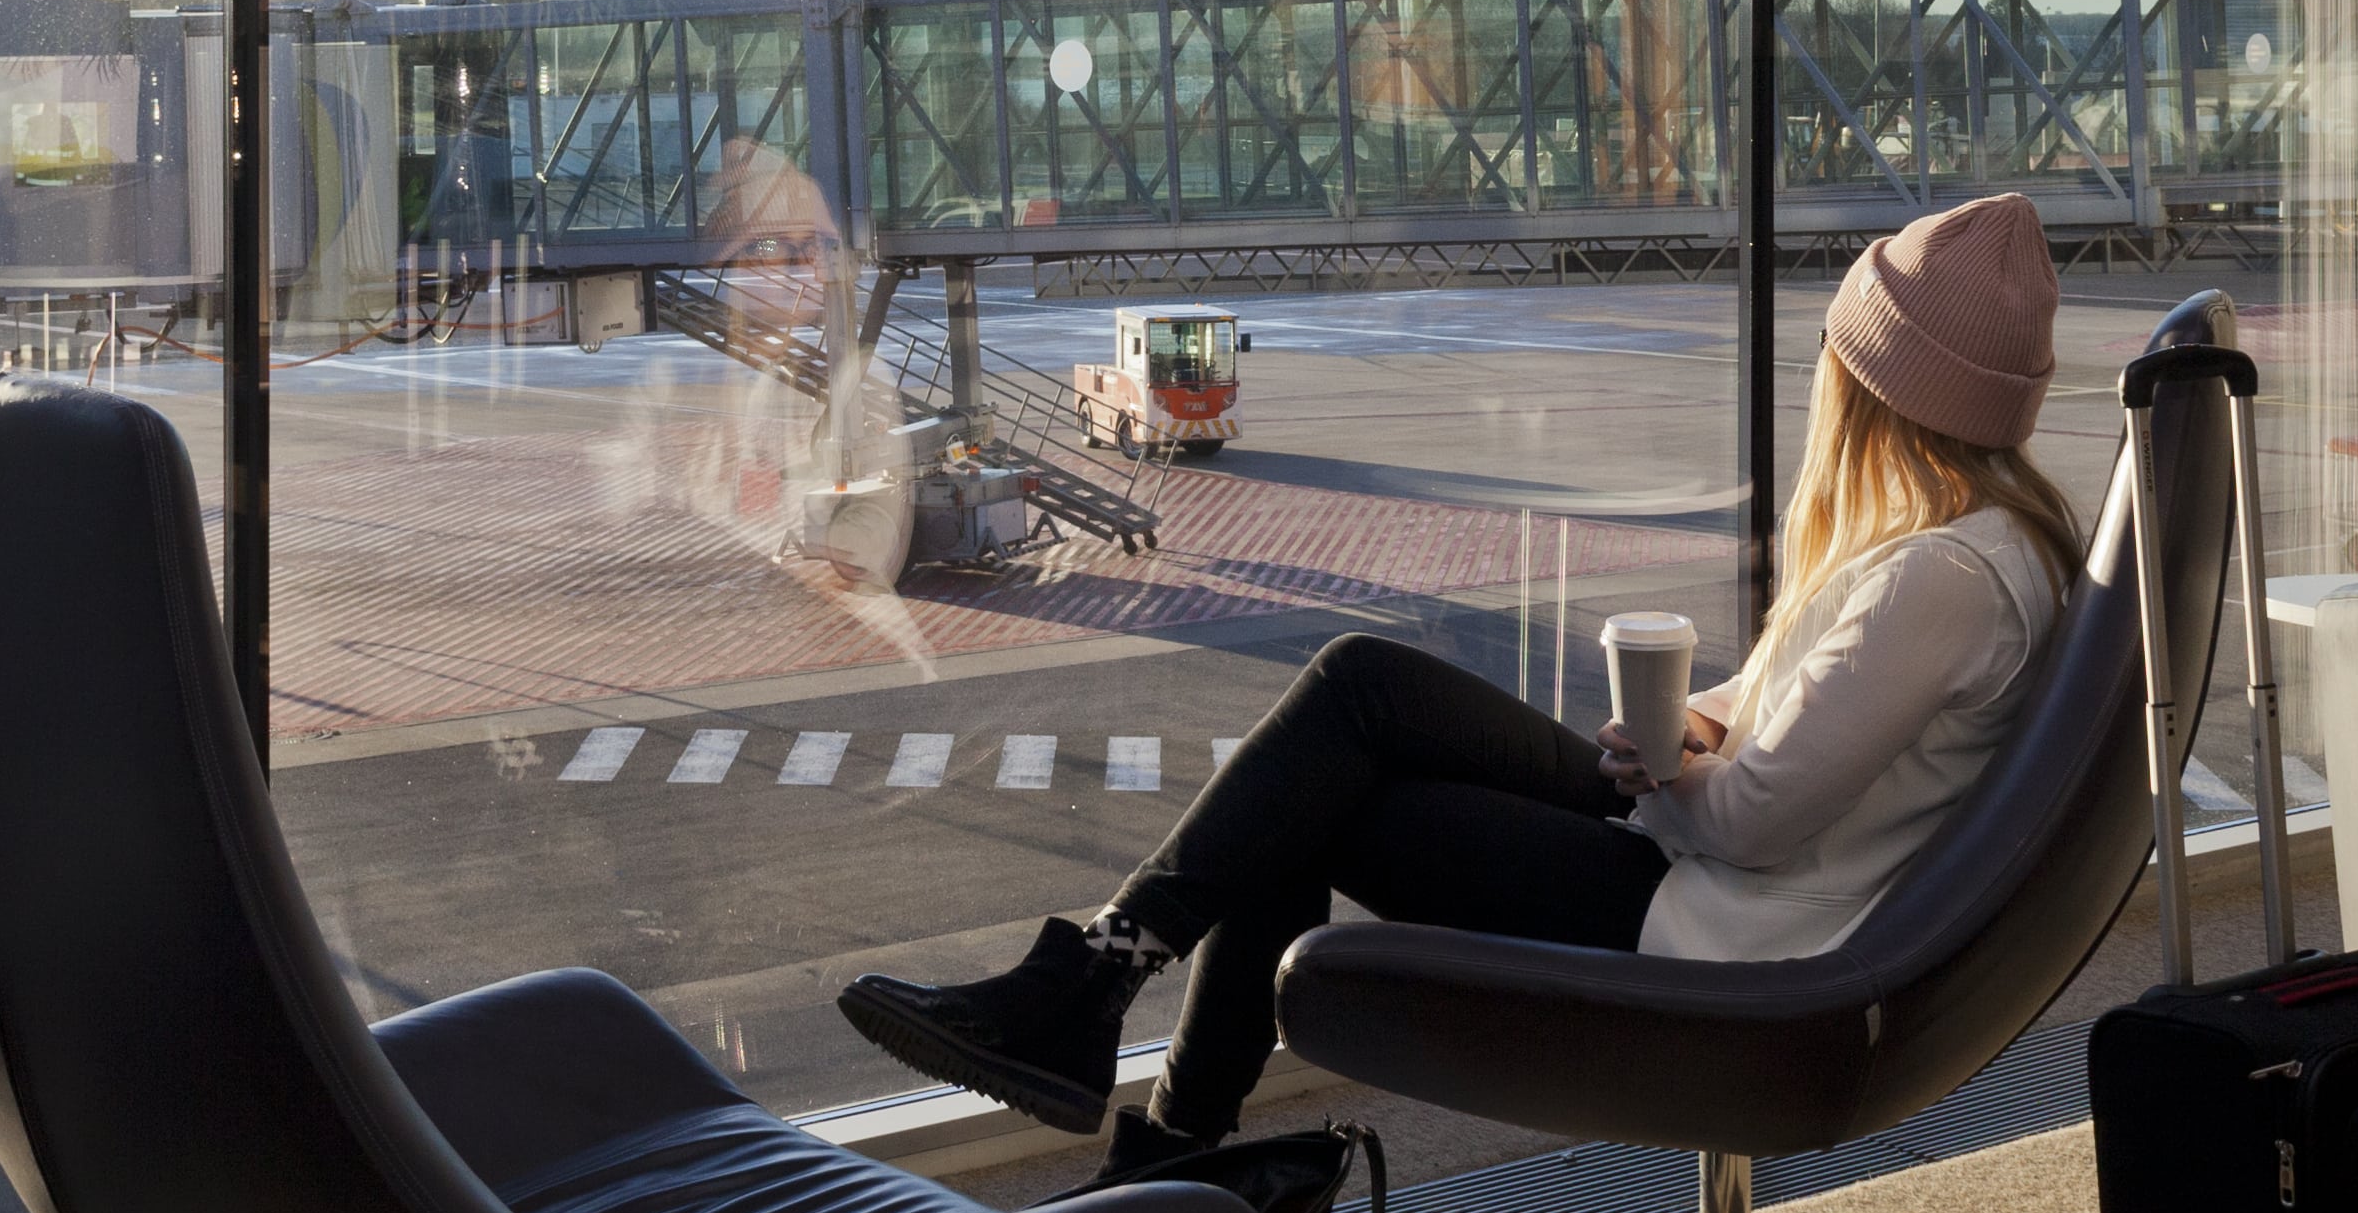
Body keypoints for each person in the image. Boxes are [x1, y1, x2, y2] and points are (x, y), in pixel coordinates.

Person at [836, 192, 2081, 1157]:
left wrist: (1659, 764)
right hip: (1711, 869)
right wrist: (1691, 728)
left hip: (1719, 926)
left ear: (1877, 386)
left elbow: (1754, 823)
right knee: (1362, 686)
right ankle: (1128, 1067)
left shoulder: (1938, 581)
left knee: (1325, 769)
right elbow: (1778, 726)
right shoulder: (1990, 553)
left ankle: (1121, 1053)